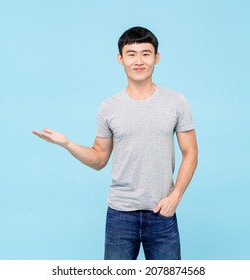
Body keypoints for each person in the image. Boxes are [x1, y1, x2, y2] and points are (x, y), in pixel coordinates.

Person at [32, 26, 198, 260]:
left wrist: (176, 196)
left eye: (146, 53)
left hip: (162, 211)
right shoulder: (108, 107)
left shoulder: (176, 102)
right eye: (131, 54)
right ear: (120, 59)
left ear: (156, 58)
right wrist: (67, 143)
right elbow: (99, 158)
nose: (138, 61)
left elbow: (190, 152)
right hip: (121, 215)